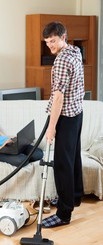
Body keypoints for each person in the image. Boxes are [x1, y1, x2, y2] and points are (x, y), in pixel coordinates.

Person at [41, 22, 85, 228]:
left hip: (67, 116)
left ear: (63, 36)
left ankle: (64, 213)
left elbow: (58, 97)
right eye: (47, 42)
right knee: (73, 157)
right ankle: (74, 196)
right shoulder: (75, 51)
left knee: (62, 163)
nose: (50, 46)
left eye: (53, 41)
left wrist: (51, 127)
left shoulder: (60, 61)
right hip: (77, 113)